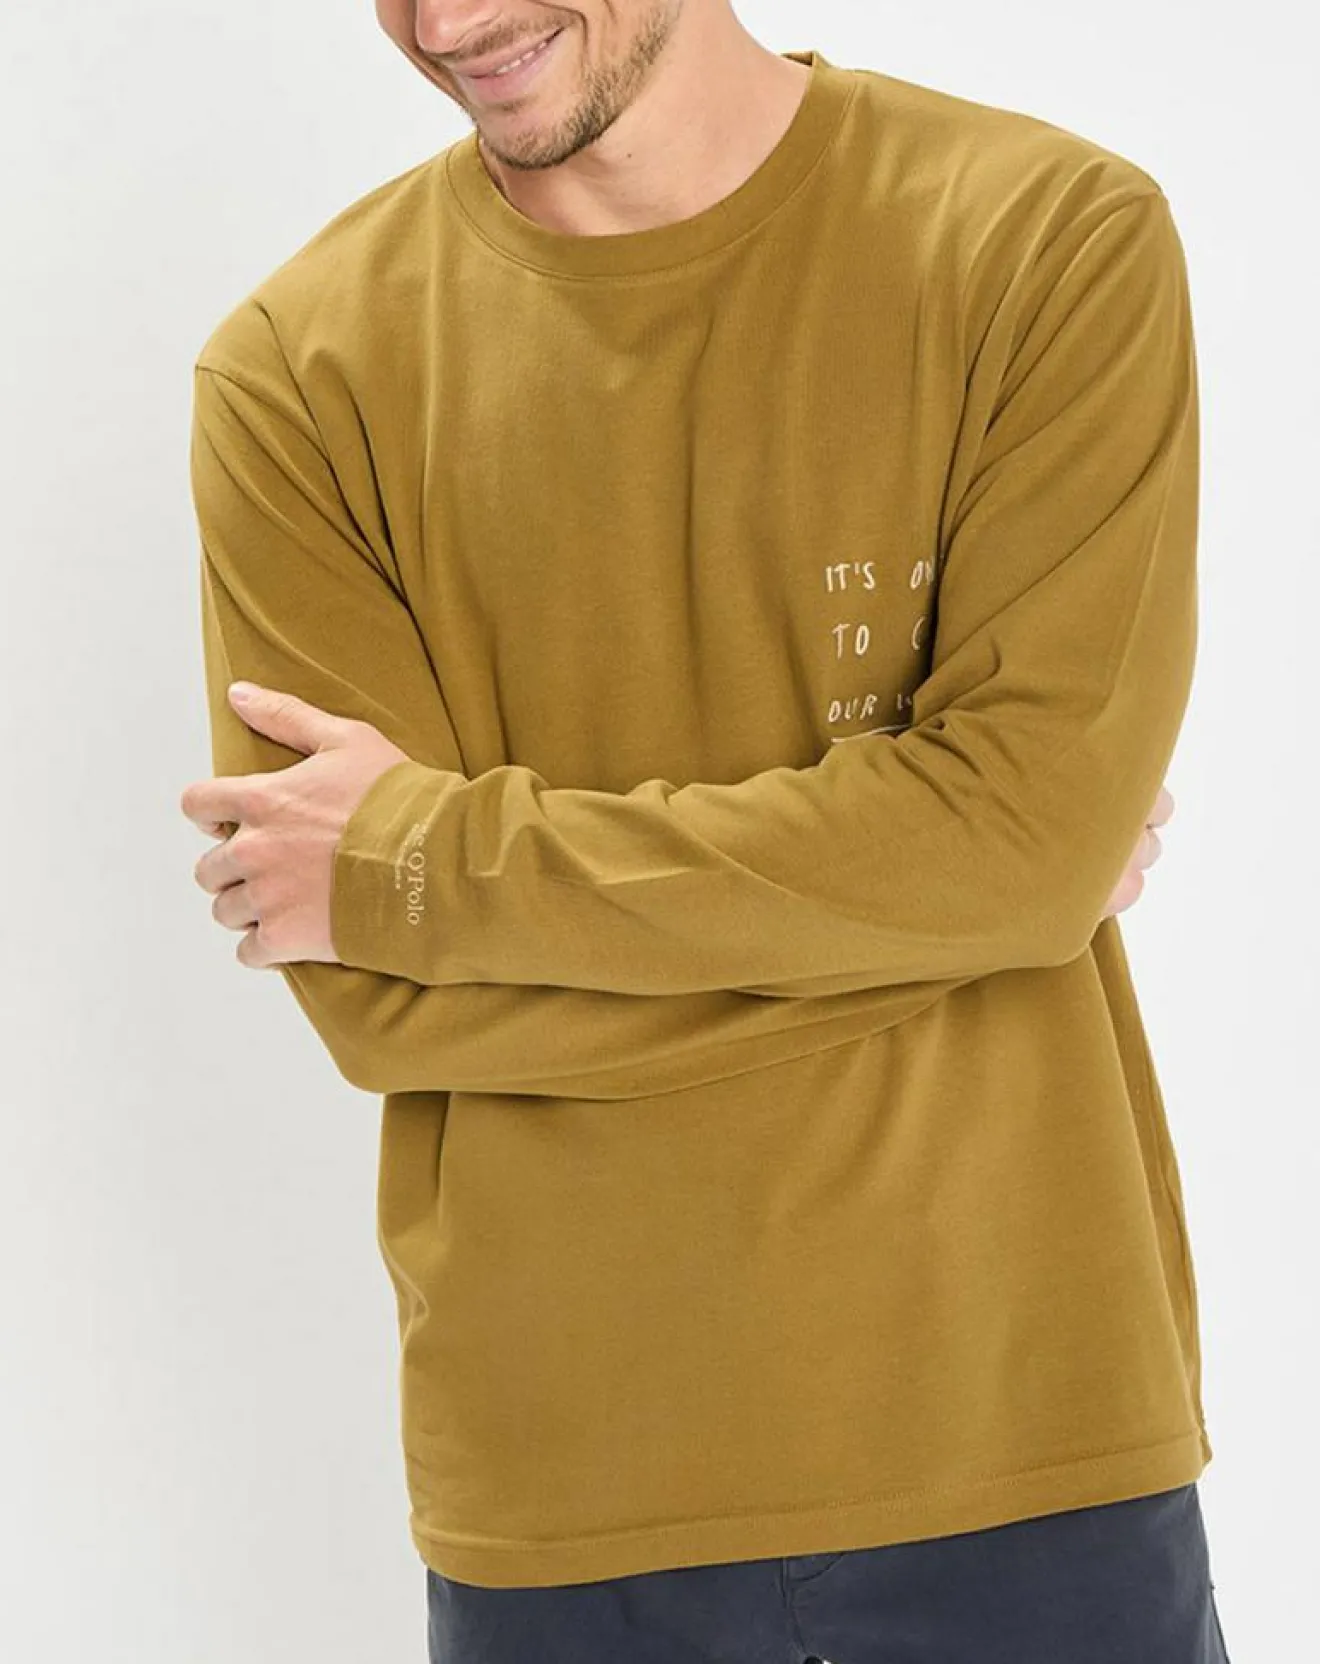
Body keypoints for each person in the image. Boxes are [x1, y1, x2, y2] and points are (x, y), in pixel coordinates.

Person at [181, 4, 1231, 1659]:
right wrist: (953, 882)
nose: (447, 22)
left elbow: (1025, 845)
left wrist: (425, 869)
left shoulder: (1043, 239)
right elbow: (376, 989)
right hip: (564, 1488)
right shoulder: (297, 374)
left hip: (1019, 1436)